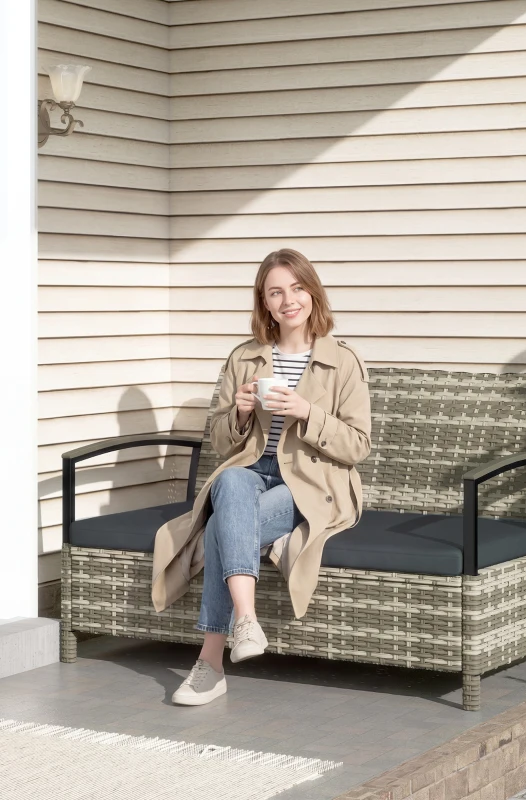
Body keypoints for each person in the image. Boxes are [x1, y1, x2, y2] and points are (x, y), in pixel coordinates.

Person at [152, 248, 372, 706]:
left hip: (312, 486)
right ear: (264, 302)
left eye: (296, 288)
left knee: (218, 526)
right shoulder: (244, 358)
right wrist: (239, 413)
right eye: (276, 292)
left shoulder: (343, 360)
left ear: (311, 292)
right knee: (230, 483)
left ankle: (211, 663)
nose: (288, 300)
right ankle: (247, 621)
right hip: (251, 473)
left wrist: (308, 413)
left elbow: (357, 446)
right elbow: (219, 443)